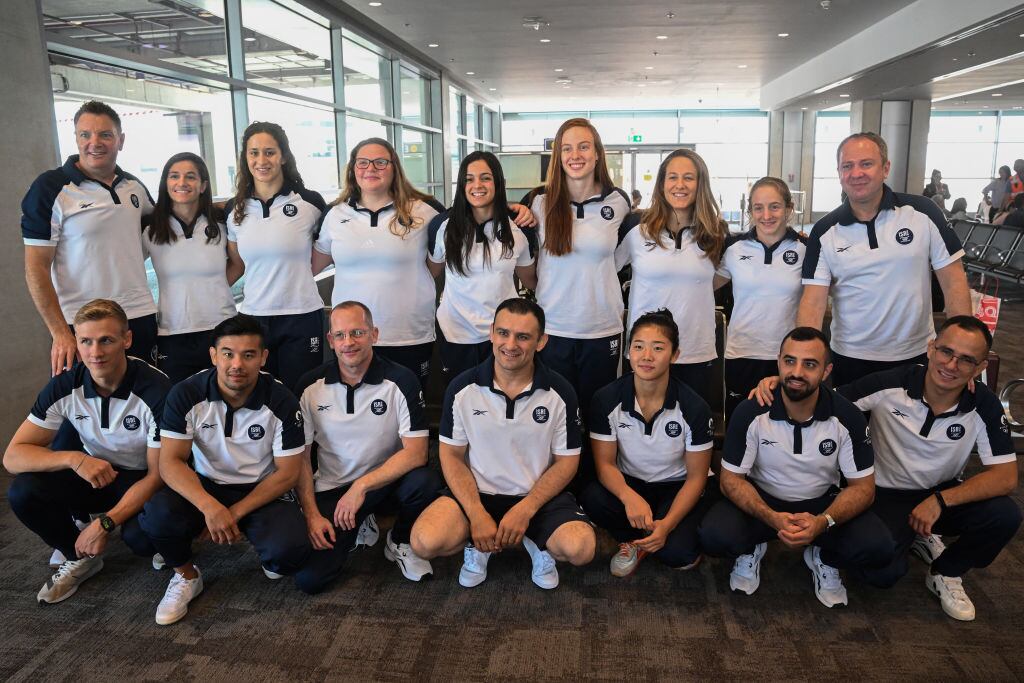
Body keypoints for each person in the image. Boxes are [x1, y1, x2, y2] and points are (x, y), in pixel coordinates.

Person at [838, 316, 1021, 621]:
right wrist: (776, 384)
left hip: (941, 494)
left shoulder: (984, 405)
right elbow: (822, 404)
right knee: (878, 575)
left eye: (966, 360)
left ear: (980, 368)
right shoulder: (888, 383)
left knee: (1005, 515)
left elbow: (1006, 477)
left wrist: (940, 501)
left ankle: (945, 571)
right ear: (930, 348)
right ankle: (917, 536)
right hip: (885, 494)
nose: (951, 365)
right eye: (946, 352)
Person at [698, 327, 893, 609]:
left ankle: (822, 556)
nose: (797, 372)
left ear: (826, 371)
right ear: (778, 363)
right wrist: (771, 517)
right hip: (762, 501)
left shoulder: (847, 415)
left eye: (809, 364)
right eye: (789, 361)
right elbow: (730, 480)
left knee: (878, 548)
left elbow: (863, 489)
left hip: (821, 504)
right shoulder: (751, 410)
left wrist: (823, 522)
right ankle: (752, 546)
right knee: (714, 535)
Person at [410, 298, 596, 589]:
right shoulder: (462, 388)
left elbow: (567, 462)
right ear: (492, 334)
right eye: (503, 333)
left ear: (541, 342)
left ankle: (537, 541)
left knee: (581, 548)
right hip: (478, 495)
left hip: (537, 498)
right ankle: (477, 542)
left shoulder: (560, 391)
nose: (511, 344)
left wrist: (526, 509)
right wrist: (475, 513)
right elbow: (450, 456)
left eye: (523, 337)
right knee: (423, 542)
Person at [138, 314, 311, 625]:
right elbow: (170, 462)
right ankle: (186, 575)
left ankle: (260, 542)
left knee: (289, 553)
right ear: (213, 355)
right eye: (228, 354)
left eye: (248, 355)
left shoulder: (282, 399)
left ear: (263, 357)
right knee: (156, 516)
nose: (237, 365)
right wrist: (210, 506)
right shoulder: (186, 393)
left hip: (261, 489)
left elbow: (287, 473)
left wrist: (234, 512)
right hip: (206, 485)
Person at [4, 300, 170, 604]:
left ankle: (161, 543)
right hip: (98, 474)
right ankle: (78, 556)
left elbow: (160, 474)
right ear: (76, 342)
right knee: (23, 491)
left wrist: (106, 523)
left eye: (106, 340)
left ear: (127, 339)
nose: (96, 352)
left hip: (144, 480)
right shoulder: (64, 386)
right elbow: (13, 457)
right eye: (86, 341)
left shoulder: (155, 389)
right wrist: (74, 458)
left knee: (144, 538)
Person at [798, 132, 972, 387]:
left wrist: (962, 353)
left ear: (885, 168)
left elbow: (954, 282)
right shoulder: (824, 231)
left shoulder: (923, 213)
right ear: (839, 172)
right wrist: (806, 362)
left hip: (916, 355)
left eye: (866, 164)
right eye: (848, 166)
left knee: (916, 427)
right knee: (854, 427)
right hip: (850, 358)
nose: (856, 173)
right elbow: (813, 302)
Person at [292, 301, 442, 593]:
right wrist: (310, 513)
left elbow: (417, 452)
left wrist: (360, 488)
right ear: (330, 341)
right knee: (310, 580)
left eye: (357, 332)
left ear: (374, 334)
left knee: (425, 482)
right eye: (340, 335)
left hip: (385, 483)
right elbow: (300, 459)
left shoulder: (401, 380)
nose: (349, 342)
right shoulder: (310, 385)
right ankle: (360, 521)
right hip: (334, 489)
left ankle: (399, 540)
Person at [22, 100, 159, 377]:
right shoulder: (50, 189)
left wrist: (222, 207)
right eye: (85, 134)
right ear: (75, 138)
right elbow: (35, 268)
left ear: (120, 140)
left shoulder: (134, 186)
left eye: (105, 135)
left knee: (145, 408)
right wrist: (60, 332)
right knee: (84, 414)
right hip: (82, 324)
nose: (94, 142)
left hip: (138, 316)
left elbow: (166, 223)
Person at [580, 310, 717, 577]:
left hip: (676, 486)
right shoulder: (606, 399)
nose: (646, 356)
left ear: (675, 355)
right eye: (638, 347)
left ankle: (658, 531)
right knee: (592, 496)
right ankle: (633, 540)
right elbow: (605, 465)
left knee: (678, 556)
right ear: (628, 352)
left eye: (658, 348)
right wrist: (629, 497)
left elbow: (697, 478)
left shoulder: (694, 407)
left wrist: (668, 525)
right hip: (631, 482)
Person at [312, 138, 444, 389]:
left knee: (411, 412)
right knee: (358, 412)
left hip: (408, 335)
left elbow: (468, 221)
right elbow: (309, 267)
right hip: (352, 339)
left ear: (394, 168)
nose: (370, 168)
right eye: (362, 163)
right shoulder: (334, 214)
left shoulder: (425, 210)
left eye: (380, 162)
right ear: (352, 170)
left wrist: (514, 211)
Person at [526, 118, 632, 420]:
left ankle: (597, 469)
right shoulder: (539, 203)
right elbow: (524, 260)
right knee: (557, 415)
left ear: (597, 153)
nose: (576, 155)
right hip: (554, 329)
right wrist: (548, 288)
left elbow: (624, 254)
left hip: (602, 328)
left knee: (600, 416)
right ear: (558, 156)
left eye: (584, 146)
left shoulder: (618, 202)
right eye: (567, 148)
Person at [616, 149, 727, 406]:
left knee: (693, 430)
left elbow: (724, 274)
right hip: (646, 353)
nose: (680, 185)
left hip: (696, 350)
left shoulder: (715, 233)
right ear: (662, 184)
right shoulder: (637, 231)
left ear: (700, 184)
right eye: (672, 177)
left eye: (688, 178)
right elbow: (605, 270)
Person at [225, 121, 327, 391]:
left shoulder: (310, 203)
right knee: (260, 396)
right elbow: (237, 264)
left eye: (269, 152)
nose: (261, 160)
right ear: (245, 158)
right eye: (254, 152)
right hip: (254, 317)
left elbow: (329, 249)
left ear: (283, 156)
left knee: (303, 395)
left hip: (301, 316)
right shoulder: (234, 209)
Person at [427, 151, 538, 385]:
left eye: (485, 178)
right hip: (456, 334)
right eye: (469, 179)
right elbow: (429, 274)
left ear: (498, 182)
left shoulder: (519, 227)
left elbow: (531, 279)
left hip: (503, 336)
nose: (477, 185)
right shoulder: (442, 226)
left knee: (501, 401)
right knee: (461, 403)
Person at [144, 152, 241, 383]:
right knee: (181, 406)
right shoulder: (151, 228)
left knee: (227, 400)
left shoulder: (220, 223)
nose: (182, 183)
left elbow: (238, 264)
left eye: (190, 177)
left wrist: (213, 286)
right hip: (172, 333)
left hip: (222, 328)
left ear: (203, 185)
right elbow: (128, 268)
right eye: (174, 176)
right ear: (165, 183)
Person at [715, 177, 805, 419]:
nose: (767, 215)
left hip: (787, 357)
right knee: (741, 427)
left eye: (774, 206)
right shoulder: (733, 249)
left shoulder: (806, 250)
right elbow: (702, 284)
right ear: (750, 211)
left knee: (783, 430)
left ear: (789, 208)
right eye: (758, 208)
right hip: (741, 354)